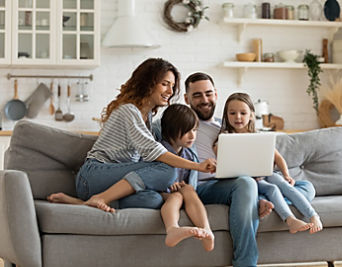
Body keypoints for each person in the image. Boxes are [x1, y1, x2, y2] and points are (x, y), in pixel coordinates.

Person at [183, 72, 319, 266]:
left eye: (208, 93)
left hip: (238, 183)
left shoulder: (223, 127)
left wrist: (282, 175)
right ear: (186, 98)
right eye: (197, 95)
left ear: (216, 95)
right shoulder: (183, 125)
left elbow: (268, 156)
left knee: (306, 187)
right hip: (207, 186)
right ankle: (246, 262)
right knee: (247, 183)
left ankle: (258, 200)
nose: (204, 99)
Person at [48, 58, 216, 213]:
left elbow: (169, 134)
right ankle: (99, 198)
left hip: (114, 181)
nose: (170, 91)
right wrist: (198, 166)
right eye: (165, 84)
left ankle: (84, 204)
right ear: (148, 84)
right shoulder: (129, 111)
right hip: (94, 175)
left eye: (172, 86)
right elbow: (156, 153)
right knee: (167, 170)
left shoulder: (148, 118)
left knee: (153, 199)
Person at [216, 92, 323, 234]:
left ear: (252, 115)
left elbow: (278, 158)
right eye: (232, 113)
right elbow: (223, 162)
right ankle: (290, 219)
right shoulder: (225, 138)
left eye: (243, 113)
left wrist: (286, 175)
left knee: (283, 183)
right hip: (249, 181)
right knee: (272, 189)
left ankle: (313, 215)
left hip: (266, 174)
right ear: (226, 115)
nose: (238, 117)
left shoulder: (258, 136)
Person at [158, 104, 214, 251]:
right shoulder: (159, 151)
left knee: (188, 190)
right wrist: (169, 185)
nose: (192, 136)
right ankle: (173, 229)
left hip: (183, 191)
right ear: (170, 131)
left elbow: (192, 179)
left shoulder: (189, 153)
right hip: (163, 191)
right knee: (176, 197)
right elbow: (152, 176)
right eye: (186, 131)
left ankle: (206, 230)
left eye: (194, 130)